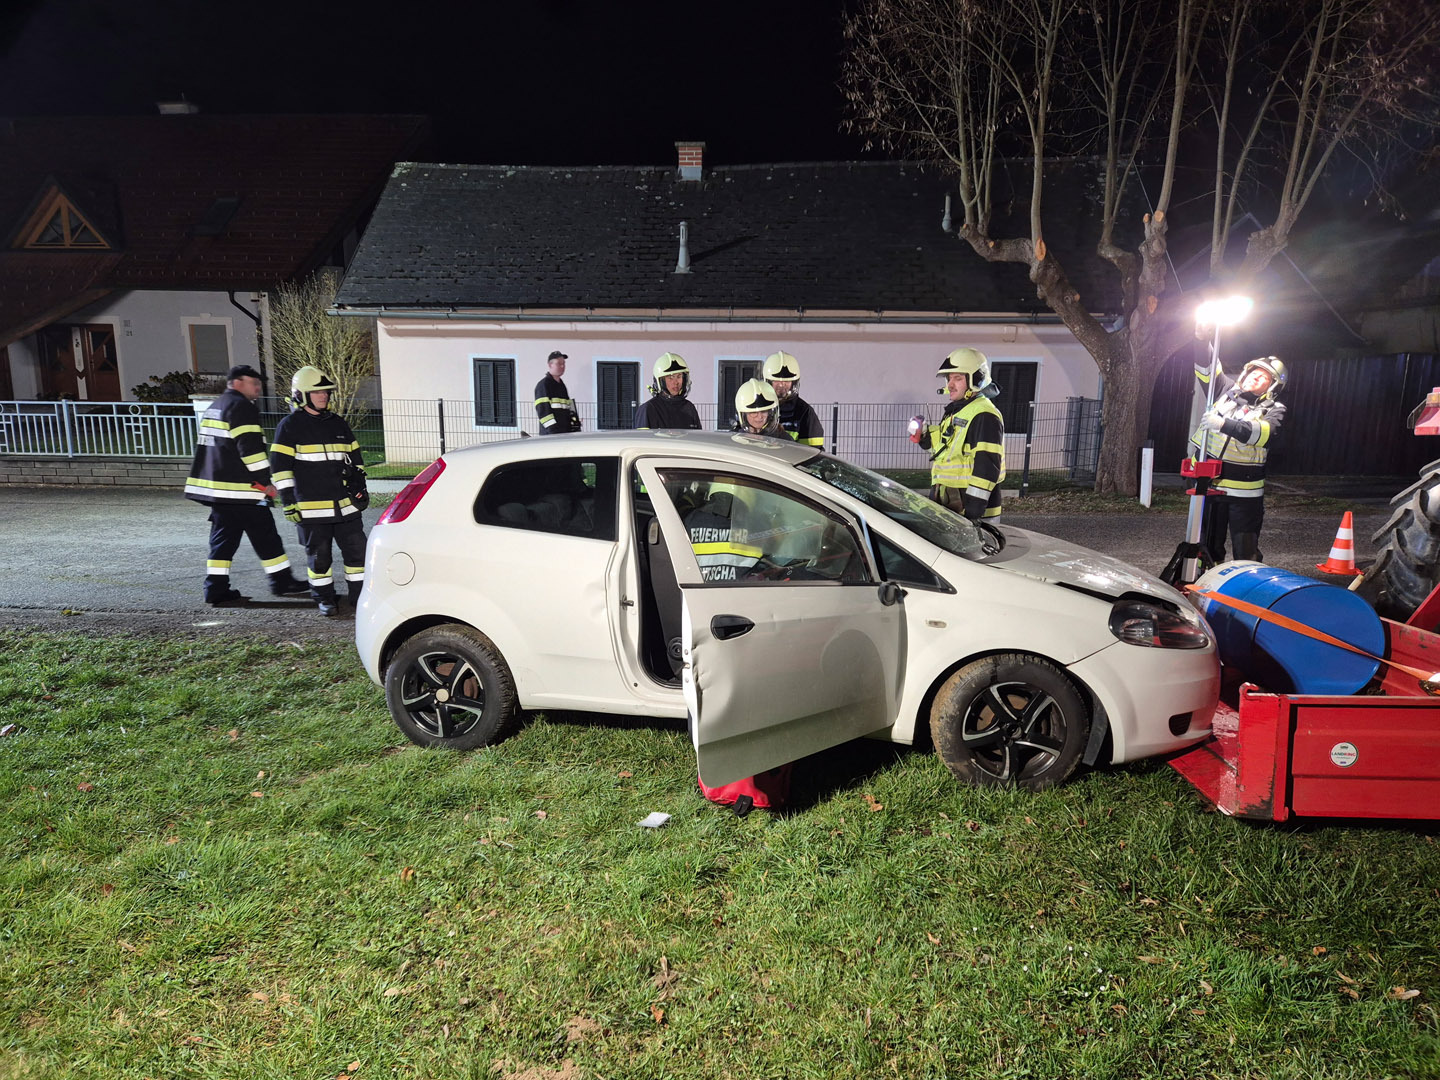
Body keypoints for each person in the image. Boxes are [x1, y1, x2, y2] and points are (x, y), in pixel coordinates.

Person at [184, 363, 309, 606]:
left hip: (221, 490)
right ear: (238, 383)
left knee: (233, 539)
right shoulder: (241, 407)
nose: (258, 389)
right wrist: (266, 484)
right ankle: (277, 582)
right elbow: (250, 451)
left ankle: (219, 587)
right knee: (260, 536)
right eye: (254, 383)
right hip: (241, 491)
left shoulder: (217, 406)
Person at [269, 366, 369, 617]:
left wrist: (359, 488)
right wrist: (288, 502)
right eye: (317, 392)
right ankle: (324, 598)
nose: (323, 396)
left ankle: (359, 598)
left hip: (346, 508)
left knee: (358, 554)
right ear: (301, 395)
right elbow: (280, 469)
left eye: (325, 392)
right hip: (311, 509)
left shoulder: (339, 424)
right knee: (320, 559)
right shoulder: (289, 426)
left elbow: (356, 461)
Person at [1190, 354, 1288, 563]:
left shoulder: (1274, 409)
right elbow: (1206, 365)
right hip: (1209, 484)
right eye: (1254, 372)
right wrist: (1201, 340)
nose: (1255, 377)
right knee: (1206, 546)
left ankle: (1245, 581)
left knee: (1245, 550)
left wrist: (1223, 424)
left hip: (1244, 493)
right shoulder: (1224, 390)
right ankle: (1206, 578)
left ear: (1273, 387)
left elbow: (1265, 434)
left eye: (1264, 377)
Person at [909, 347, 1005, 521]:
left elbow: (986, 468)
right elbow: (947, 450)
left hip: (970, 511)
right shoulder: (960, 410)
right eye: (949, 378)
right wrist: (925, 436)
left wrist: (972, 514)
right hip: (952, 503)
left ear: (977, 379)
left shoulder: (984, 415)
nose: (950, 385)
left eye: (958, 378)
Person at [762, 351, 824, 447]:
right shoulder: (755, 408)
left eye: (787, 381)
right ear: (768, 382)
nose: (781, 385)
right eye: (776, 381)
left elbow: (812, 451)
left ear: (794, 383)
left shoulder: (804, 412)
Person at [634, 352, 701, 430]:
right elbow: (642, 437)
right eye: (670, 377)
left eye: (679, 376)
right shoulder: (648, 409)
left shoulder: (689, 408)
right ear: (660, 381)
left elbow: (697, 435)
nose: (676, 382)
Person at [534, 350, 581, 434]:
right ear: (550, 365)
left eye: (564, 363)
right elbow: (543, 412)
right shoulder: (544, 385)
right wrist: (553, 431)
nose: (562, 366)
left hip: (564, 433)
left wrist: (574, 425)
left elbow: (569, 408)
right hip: (552, 435)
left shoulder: (561, 385)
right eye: (559, 363)